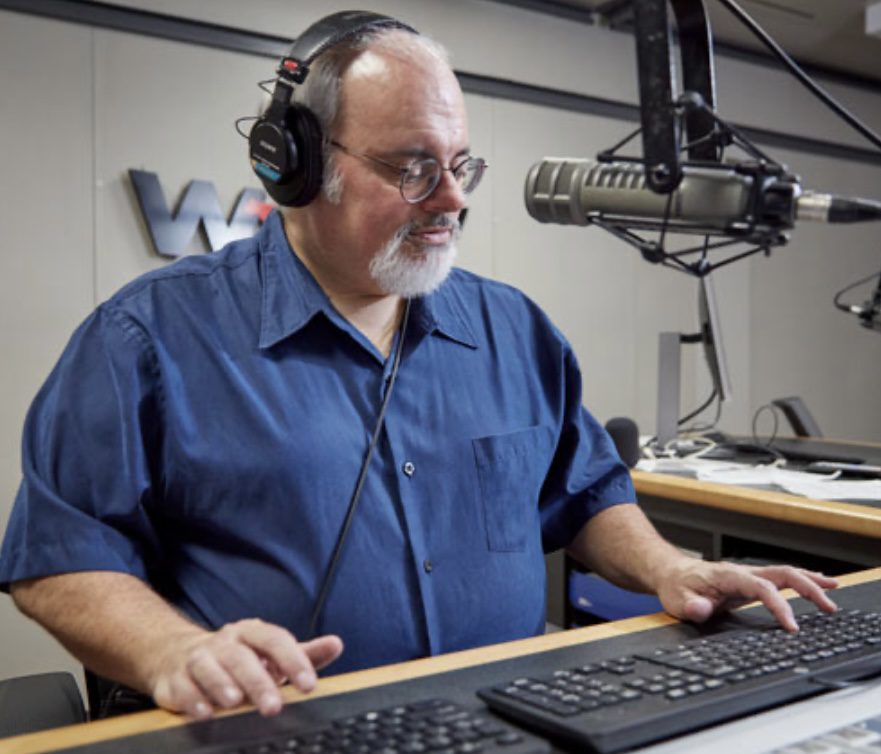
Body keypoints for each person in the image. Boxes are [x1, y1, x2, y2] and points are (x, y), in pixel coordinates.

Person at [0, 12, 837, 724]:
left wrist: (671, 568)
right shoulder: (145, 337)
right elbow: (58, 556)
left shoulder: (512, 328)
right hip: (272, 734)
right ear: (295, 164)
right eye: (412, 168)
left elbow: (584, 493)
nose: (452, 198)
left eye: (460, 164)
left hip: (507, 723)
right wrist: (174, 651)